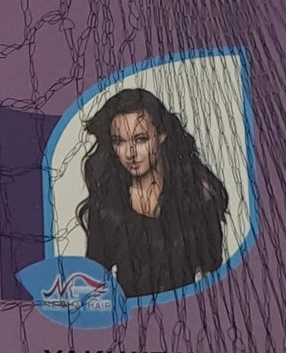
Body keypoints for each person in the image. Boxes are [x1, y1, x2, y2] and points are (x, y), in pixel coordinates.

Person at [77, 87, 229, 300]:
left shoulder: (197, 197)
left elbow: (213, 269)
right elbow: (94, 281)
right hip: (130, 316)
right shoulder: (107, 207)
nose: (130, 153)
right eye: (119, 141)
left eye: (140, 139)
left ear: (161, 135)